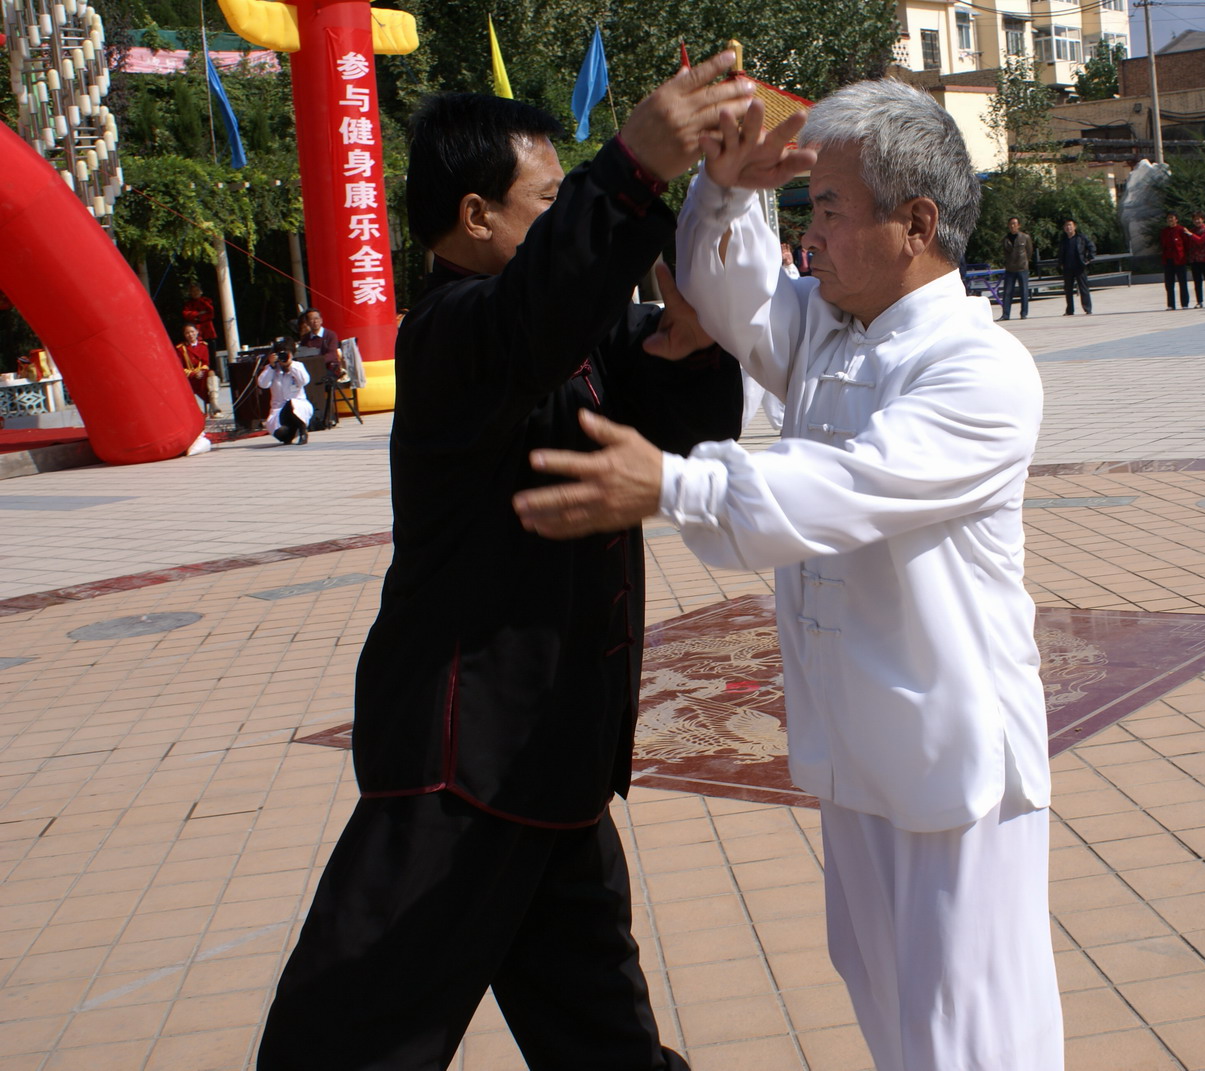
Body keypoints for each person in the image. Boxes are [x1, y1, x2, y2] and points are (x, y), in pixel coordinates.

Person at [513, 79, 1063, 1071]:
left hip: (952, 761)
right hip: (859, 746)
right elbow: (730, 293)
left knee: (969, 1031)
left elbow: (843, 486)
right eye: (807, 211)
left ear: (917, 224)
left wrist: (675, 483)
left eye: (831, 211)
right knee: (887, 1001)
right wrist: (726, 190)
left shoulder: (978, 368)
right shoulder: (831, 329)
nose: (811, 239)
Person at [255, 57, 751, 1071]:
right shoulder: (451, 335)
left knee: (603, 1041)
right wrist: (630, 169)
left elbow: (687, 426)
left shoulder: (575, 340)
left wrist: (688, 345)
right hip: (460, 765)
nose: (568, 214)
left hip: (552, 758)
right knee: (348, 1039)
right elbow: (538, 310)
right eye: (550, 199)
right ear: (476, 217)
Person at [256, 339, 313, 445]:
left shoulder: (297, 366)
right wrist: (271, 367)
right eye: (280, 354)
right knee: (280, 433)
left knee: (292, 405)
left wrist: (290, 365)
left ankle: (302, 430)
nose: (283, 357)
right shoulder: (272, 369)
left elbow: (304, 381)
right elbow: (262, 384)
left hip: (297, 405)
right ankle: (290, 432)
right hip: (279, 409)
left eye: (286, 354)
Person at [1057, 217, 1095, 315]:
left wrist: (1088, 259)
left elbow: (1091, 247)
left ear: (1074, 226)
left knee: (1083, 288)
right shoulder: (1063, 240)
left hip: (1079, 266)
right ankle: (1070, 310)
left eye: (1070, 225)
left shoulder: (1081, 238)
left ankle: (1087, 308)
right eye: (1066, 225)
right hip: (1067, 267)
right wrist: (1060, 263)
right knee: (1068, 289)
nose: (1068, 227)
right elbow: (1060, 253)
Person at [999, 215, 1033, 320]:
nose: (1012, 226)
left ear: (1019, 225)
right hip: (1010, 268)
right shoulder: (1005, 239)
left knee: (1024, 291)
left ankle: (1023, 313)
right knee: (1007, 292)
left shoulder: (1025, 237)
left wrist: (1025, 261)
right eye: (1011, 224)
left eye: (1014, 224)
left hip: (1022, 268)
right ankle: (1005, 314)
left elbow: (1029, 251)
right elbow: (1005, 253)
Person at [1184, 211, 1205, 308]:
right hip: (1195, 260)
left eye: (1198, 219)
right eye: (1195, 219)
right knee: (1197, 282)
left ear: (1203, 219)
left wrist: (1190, 234)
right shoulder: (1192, 230)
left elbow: (1201, 241)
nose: (1197, 221)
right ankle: (1199, 301)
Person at [1159, 211, 1190, 310]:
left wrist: (1184, 256)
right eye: (1168, 218)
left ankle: (1184, 304)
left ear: (1176, 219)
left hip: (1180, 260)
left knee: (1182, 282)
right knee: (1169, 283)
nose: (1170, 220)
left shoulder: (1181, 230)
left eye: (1172, 218)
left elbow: (1187, 245)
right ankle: (1171, 304)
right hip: (1168, 260)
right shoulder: (1165, 231)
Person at [181, 282, 217, 346]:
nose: (195, 293)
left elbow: (211, 313)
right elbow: (186, 314)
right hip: (196, 330)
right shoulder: (188, 304)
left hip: (208, 329)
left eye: (197, 290)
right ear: (190, 293)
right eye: (193, 291)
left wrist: (198, 317)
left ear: (201, 291)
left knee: (211, 346)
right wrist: (198, 314)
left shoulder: (206, 301)